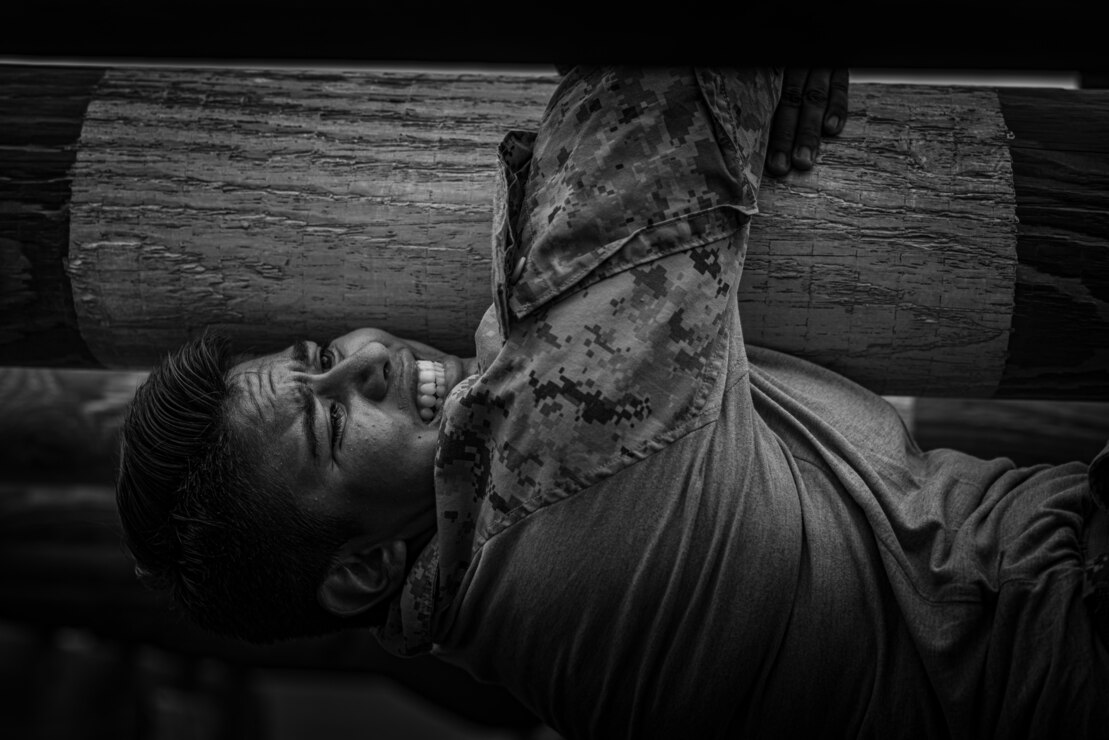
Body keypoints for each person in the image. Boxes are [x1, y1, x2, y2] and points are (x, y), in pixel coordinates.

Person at [116, 67, 1109, 738]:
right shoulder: (554, 461)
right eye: (332, 420)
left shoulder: (493, 620)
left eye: (321, 353)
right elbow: (660, 78)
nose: (365, 358)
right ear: (368, 563)